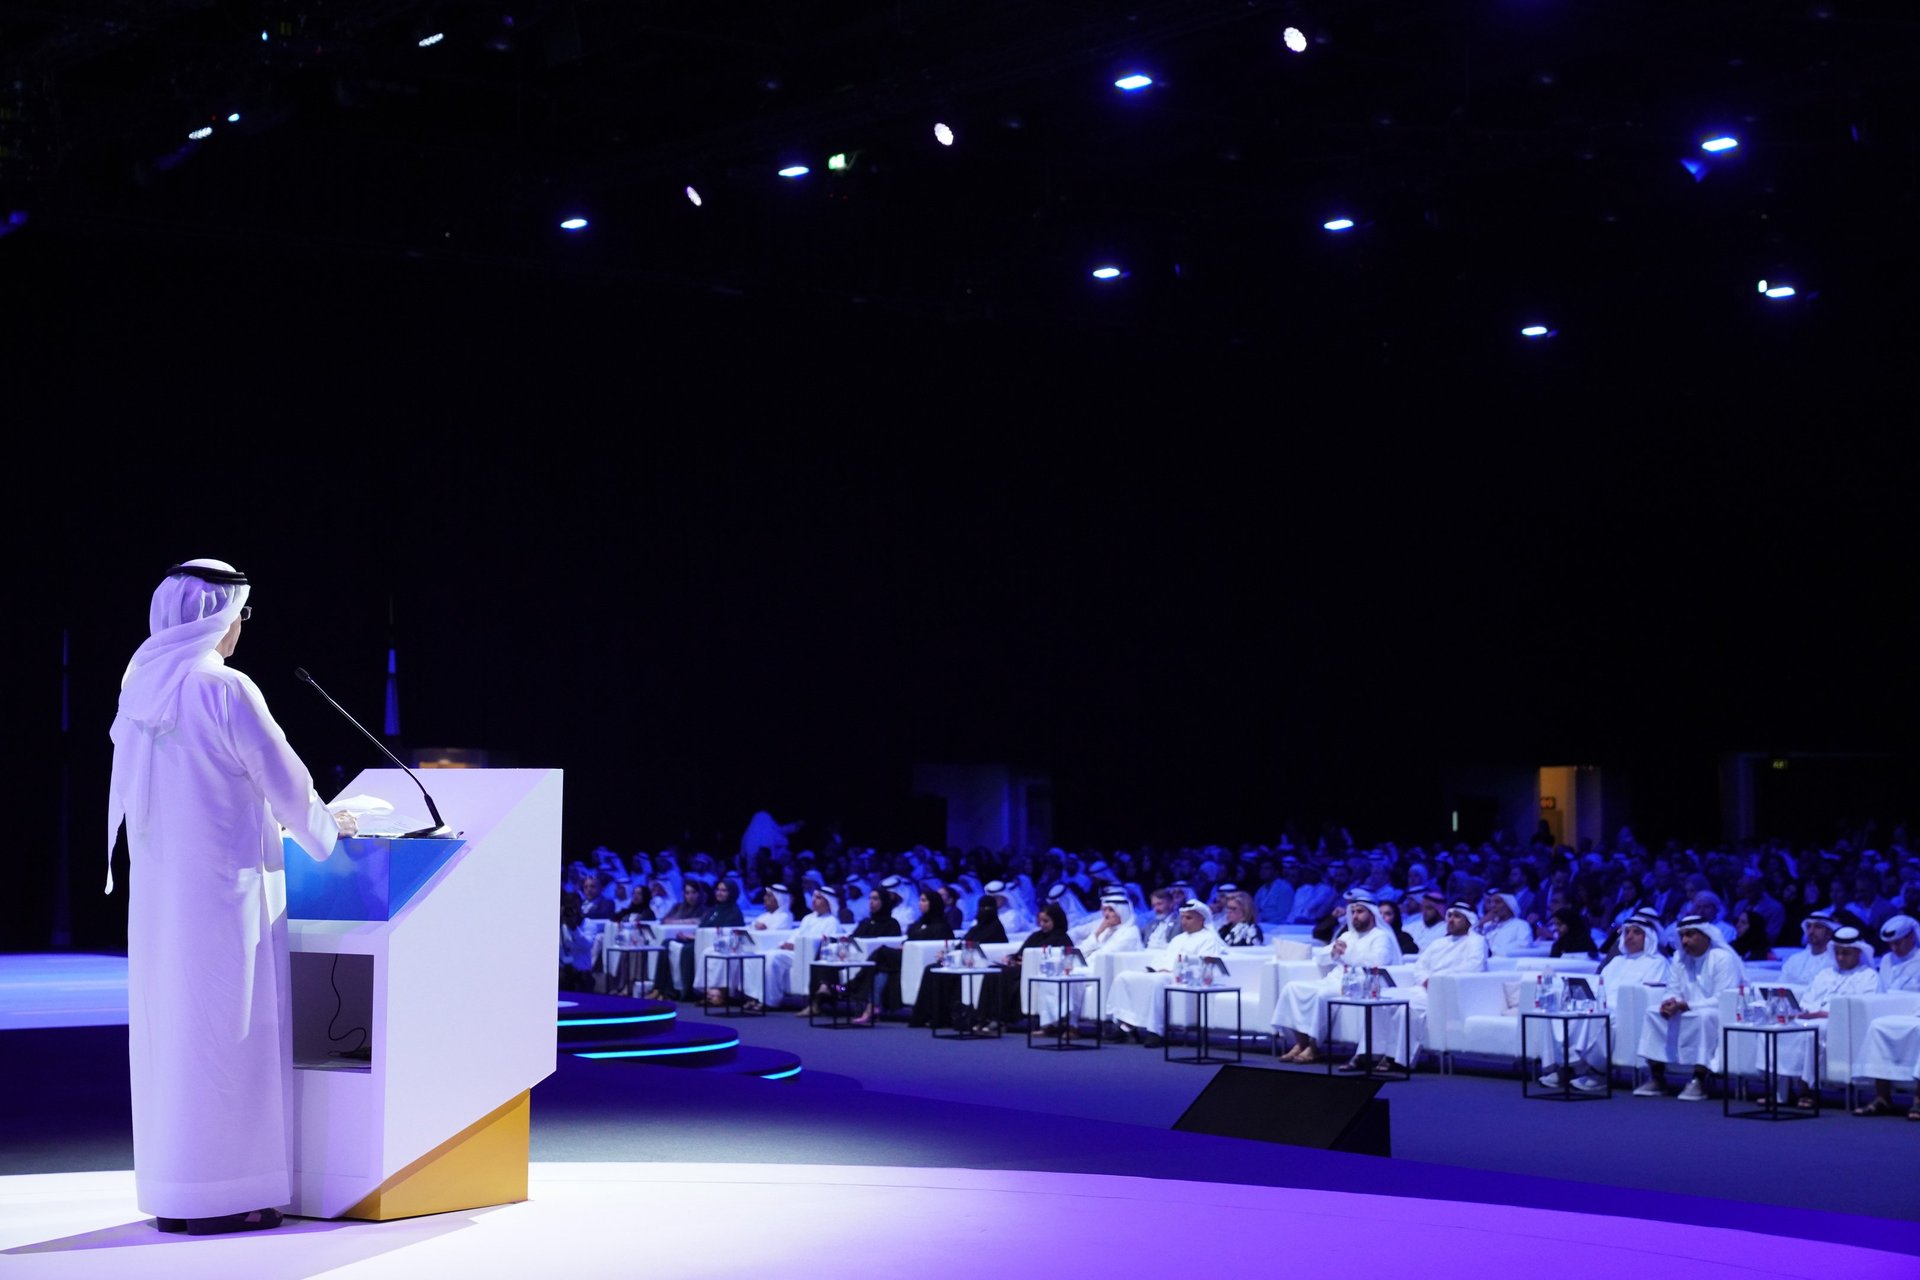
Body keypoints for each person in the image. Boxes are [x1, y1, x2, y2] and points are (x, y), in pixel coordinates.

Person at [108, 560, 355, 1236]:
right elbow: (283, 777)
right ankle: (228, 1196)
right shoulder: (224, 687)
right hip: (227, 894)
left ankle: (177, 1192)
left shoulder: (140, 687)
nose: (242, 627)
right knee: (230, 1035)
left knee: (175, 1038)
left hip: (161, 900)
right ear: (220, 617)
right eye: (241, 613)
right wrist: (329, 829)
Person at [1539, 911, 1668, 1094]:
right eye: (1627, 932)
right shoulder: (1616, 961)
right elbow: (1600, 986)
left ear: (1648, 937)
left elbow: (1649, 994)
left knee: (1598, 1016)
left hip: (1625, 1011)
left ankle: (1597, 1071)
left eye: (1636, 932)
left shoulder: (1657, 963)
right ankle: (1566, 1067)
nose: (1630, 936)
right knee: (1562, 1012)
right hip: (1602, 1004)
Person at [1272, 889, 1403, 1065]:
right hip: (1336, 979)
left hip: (1358, 984)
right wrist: (1333, 952)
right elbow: (1321, 957)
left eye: (1360, 912)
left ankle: (1314, 1046)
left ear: (1371, 914)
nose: (1355, 916)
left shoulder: (1380, 937)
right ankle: (1300, 1042)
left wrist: (1345, 954)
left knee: (1322, 995)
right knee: (1292, 987)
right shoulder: (1348, 935)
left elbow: (1377, 962)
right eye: (1353, 912)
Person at [1371, 900, 1490, 1075]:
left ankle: (1396, 1059)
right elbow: (1420, 966)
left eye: (1457, 917)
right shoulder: (1439, 943)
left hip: (1447, 991)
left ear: (1469, 921)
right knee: (1383, 999)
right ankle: (1370, 1053)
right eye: (1449, 915)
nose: (1450, 920)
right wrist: (1426, 979)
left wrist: (1437, 980)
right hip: (1424, 988)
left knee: (1407, 1009)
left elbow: (1474, 967)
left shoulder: (1476, 941)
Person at [1633, 915, 1745, 1101]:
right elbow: (1672, 989)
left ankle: (1699, 1079)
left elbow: (1723, 998)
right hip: (1684, 1008)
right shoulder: (1679, 958)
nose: (1684, 941)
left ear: (1706, 936)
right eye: (1682, 936)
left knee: (1703, 1017)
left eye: (1690, 935)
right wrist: (1669, 1002)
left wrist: (1686, 1005)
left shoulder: (1722, 958)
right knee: (1653, 1013)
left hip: (1718, 1011)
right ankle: (1657, 1077)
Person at [1771, 927, 1881, 1108]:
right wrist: (1804, 1011)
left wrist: (1822, 1014)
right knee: (1780, 1028)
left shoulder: (1869, 977)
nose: (1840, 958)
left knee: (1813, 1031)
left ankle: (1808, 1089)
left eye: (1846, 953)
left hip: (1841, 1024)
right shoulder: (1825, 974)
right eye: (1837, 953)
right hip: (1811, 1017)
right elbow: (1808, 999)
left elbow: (1863, 1011)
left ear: (1858, 952)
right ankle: (1781, 1091)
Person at [1107, 898, 1231, 1048]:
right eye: (1183, 918)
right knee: (1123, 977)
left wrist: (1172, 970)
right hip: (1161, 972)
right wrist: (1153, 968)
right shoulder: (1178, 939)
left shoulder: (1209, 939)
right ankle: (1123, 1025)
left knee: (1159, 981)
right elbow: (1163, 958)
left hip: (1183, 978)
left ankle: (1156, 1032)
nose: (1184, 922)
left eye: (1189, 918)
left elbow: (1204, 965)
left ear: (1201, 919)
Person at [855, 888, 954, 1025]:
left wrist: (908, 947)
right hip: (904, 958)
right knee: (882, 969)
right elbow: (909, 939)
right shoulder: (918, 924)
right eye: (920, 900)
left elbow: (941, 946)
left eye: (924, 900)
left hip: (916, 959)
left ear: (934, 903)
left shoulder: (941, 926)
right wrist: (904, 945)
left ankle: (856, 981)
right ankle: (872, 1007)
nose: (920, 903)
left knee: (882, 952)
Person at [1780, 910, 1837, 985]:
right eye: (1809, 926)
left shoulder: (1836, 961)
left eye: (1817, 927)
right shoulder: (1795, 960)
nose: (1811, 931)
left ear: (1829, 933)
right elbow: (1780, 986)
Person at [1880, 916, 1920, 993]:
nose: (1893, 948)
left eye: (1897, 943)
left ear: (1911, 937)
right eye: (1890, 944)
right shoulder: (1887, 959)